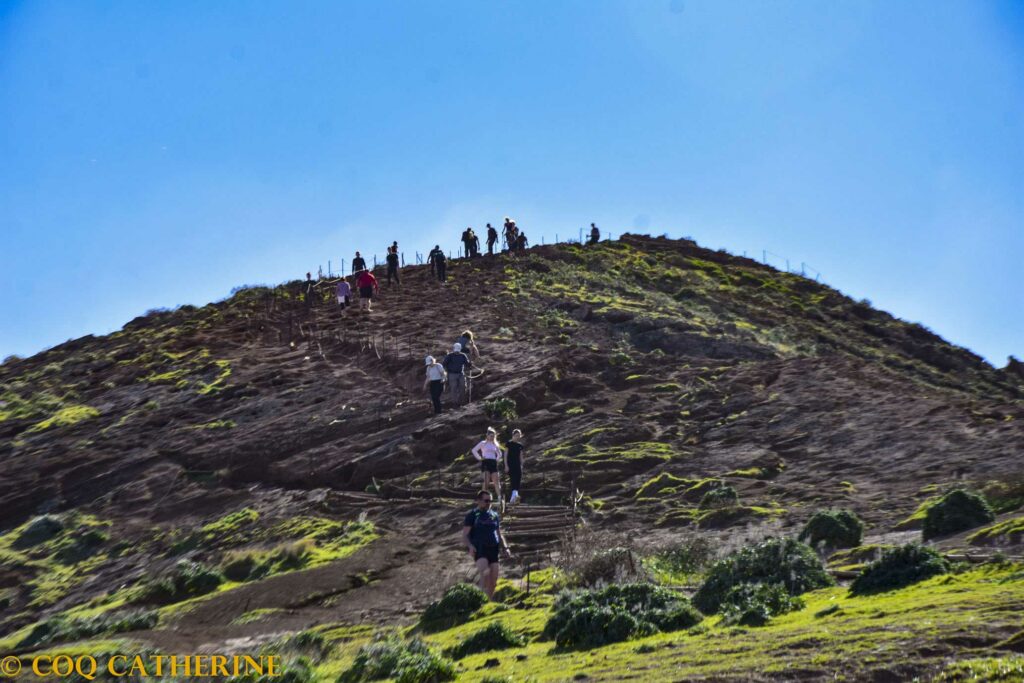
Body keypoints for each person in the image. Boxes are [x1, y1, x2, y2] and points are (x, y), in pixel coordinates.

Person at [462, 490, 512, 599]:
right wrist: (470, 546)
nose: (489, 503)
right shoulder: (473, 515)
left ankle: (488, 603)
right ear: (479, 501)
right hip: (480, 548)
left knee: (493, 581)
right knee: (485, 573)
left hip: (493, 549)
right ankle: (480, 600)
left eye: (490, 501)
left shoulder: (494, 515)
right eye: (486, 500)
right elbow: (465, 535)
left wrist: (506, 547)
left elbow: (499, 533)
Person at [472, 427, 506, 508]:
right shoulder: (483, 443)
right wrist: (480, 458)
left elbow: (500, 454)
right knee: (486, 481)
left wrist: (496, 460)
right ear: (487, 435)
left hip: (493, 462)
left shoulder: (495, 444)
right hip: (485, 462)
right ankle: (483, 498)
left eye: (493, 436)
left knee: (496, 481)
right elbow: (474, 450)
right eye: (491, 436)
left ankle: (499, 498)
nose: (492, 437)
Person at [506, 429, 525, 505]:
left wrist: (522, 464)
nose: (517, 437)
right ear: (513, 435)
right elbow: (505, 455)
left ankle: (514, 497)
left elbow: (521, 456)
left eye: (519, 436)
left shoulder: (520, 445)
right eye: (516, 435)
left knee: (518, 480)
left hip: (518, 464)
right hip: (511, 464)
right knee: (513, 479)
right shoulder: (509, 444)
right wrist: (506, 465)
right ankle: (513, 497)